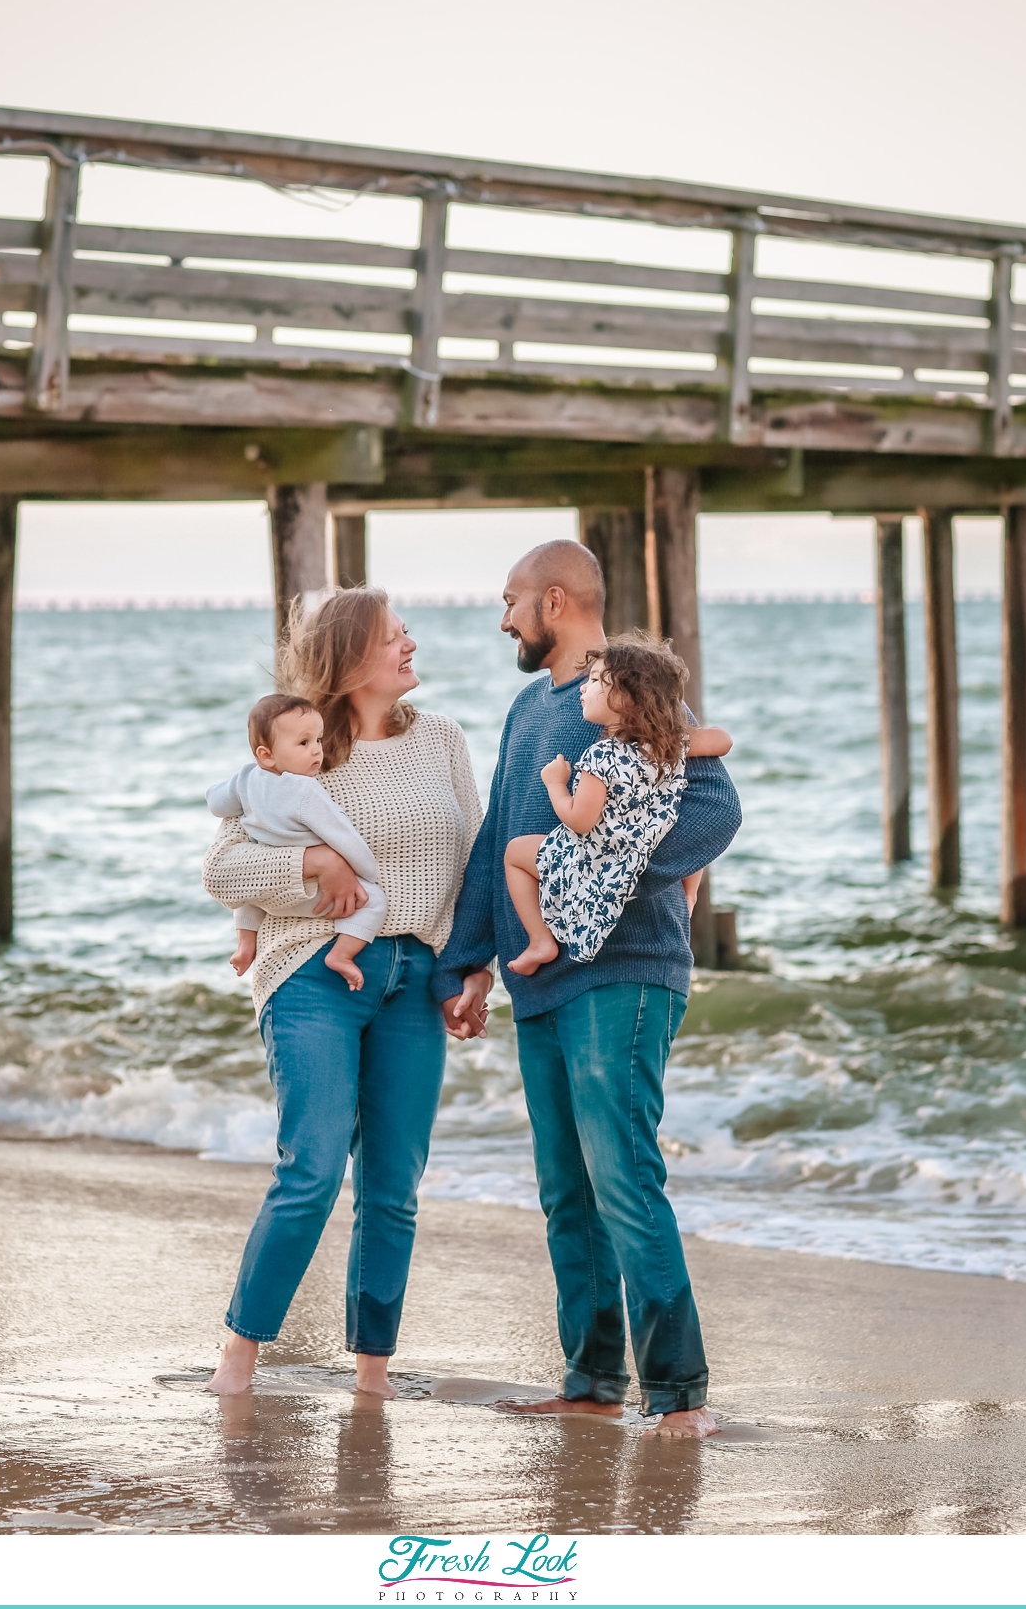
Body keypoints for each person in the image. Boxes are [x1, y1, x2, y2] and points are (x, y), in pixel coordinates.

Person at [433, 540, 742, 1439]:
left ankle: (680, 1394)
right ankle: (592, 1379)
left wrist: (604, 875)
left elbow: (715, 811)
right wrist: (471, 963)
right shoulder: (528, 708)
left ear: (555, 601)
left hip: (626, 975)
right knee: (566, 1188)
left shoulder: (639, 696)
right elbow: (505, 833)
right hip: (541, 985)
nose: (503, 621)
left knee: (624, 1179)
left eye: (511, 602)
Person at [202, 587, 487, 1398]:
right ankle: (239, 1358)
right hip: (311, 974)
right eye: (396, 637)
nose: (412, 646)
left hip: (414, 979)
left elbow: (472, 864)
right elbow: (223, 869)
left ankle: (372, 1375)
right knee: (314, 1169)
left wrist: (475, 970)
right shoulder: (298, 744)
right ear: (350, 655)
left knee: (393, 1186)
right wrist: (311, 867)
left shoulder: (443, 741)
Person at [504, 634, 732, 975]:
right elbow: (724, 741)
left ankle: (540, 941)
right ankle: (690, 894)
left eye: (595, 680)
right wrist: (683, 735)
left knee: (515, 854)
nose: (584, 687)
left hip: (596, 864)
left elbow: (580, 821)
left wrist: (555, 784)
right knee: (675, 811)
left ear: (626, 697)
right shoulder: (667, 747)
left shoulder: (601, 757)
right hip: (644, 849)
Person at [207, 691, 388, 989]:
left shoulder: (245, 779)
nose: (317, 751)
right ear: (266, 754)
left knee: (247, 898)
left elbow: (216, 803)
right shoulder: (306, 790)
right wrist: (366, 872)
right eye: (304, 743)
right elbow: (341, 834)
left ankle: (245, 946)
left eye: (318, 740)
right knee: (374, 900)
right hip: (311, 891)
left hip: (271, 888)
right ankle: (341, 956)